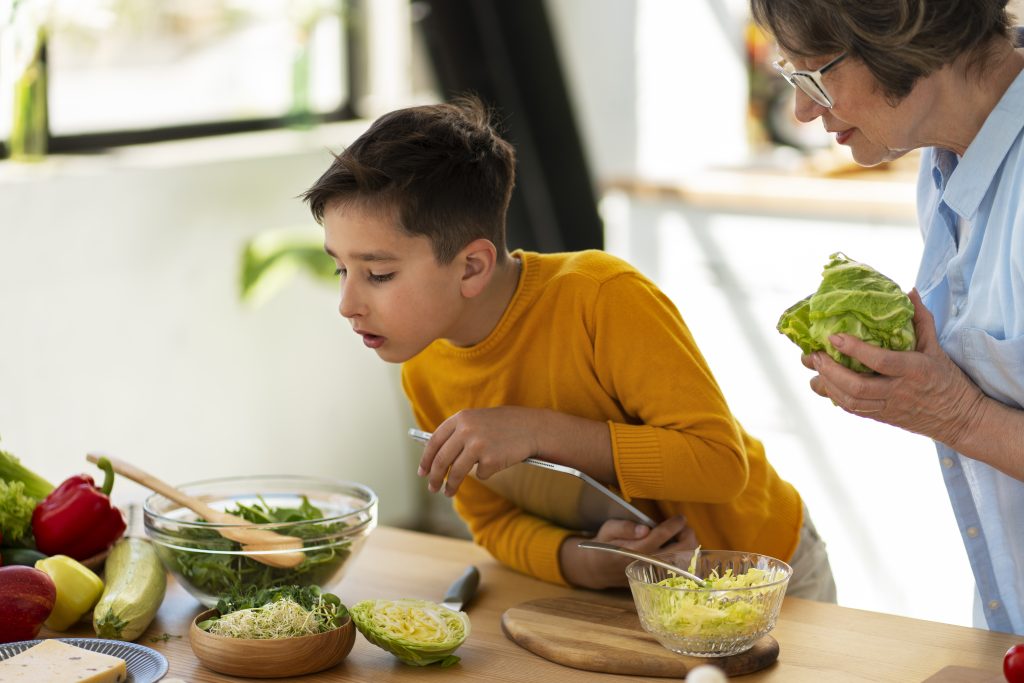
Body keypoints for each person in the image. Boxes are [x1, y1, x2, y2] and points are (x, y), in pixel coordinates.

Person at [301, 96, 836, 600]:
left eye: (378, 273)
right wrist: (581, 561)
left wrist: (536, 432)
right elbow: (492, 522)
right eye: (341, 268)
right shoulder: (425, 369)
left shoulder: (601, 297)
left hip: (764, 575)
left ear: (471, 266)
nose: (348, 302)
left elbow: (720, 465)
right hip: (639, 597)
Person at [751, 0, 1024, 633]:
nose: (803, 110)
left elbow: (967, 410)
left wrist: (957, 414)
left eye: (817, 74)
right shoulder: (943, 160)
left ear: (903, 38)